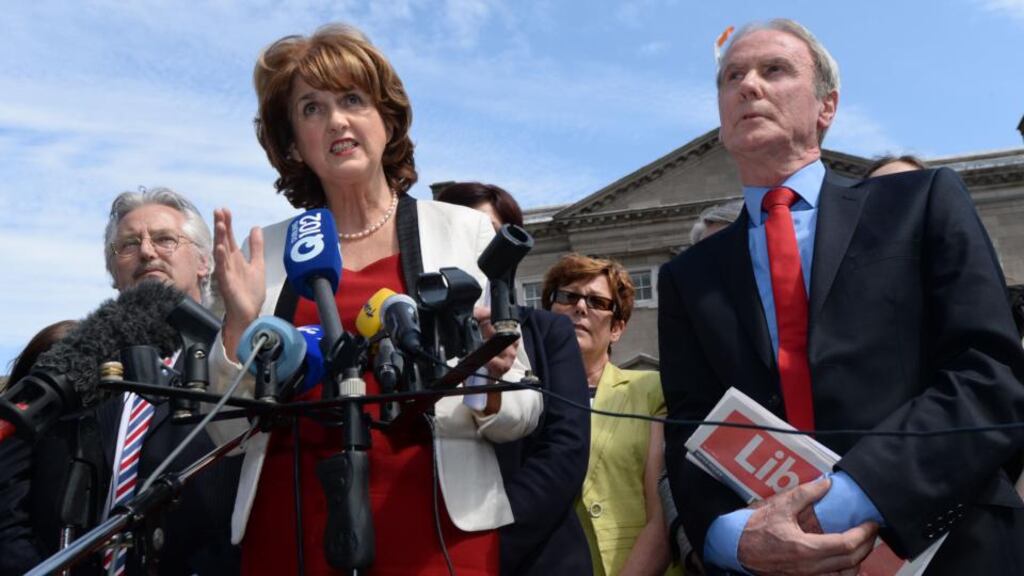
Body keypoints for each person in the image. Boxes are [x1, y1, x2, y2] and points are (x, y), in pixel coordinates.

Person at [658, 18, 1024, 575]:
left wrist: (849, 498)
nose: (747, 85)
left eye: (773, 70)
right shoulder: (690, 274)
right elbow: (690, 425)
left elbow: (989, 372)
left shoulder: (920, 202)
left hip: (950, 546)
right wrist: (726, 538)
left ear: (826, 106)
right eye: (732, 76)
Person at [208, 25, 542, 575]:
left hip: (436, 532)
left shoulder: (464, 233)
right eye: (311, 108)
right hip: (291, 527)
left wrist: (485, 375)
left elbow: (525, 412)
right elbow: (226, 436)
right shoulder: (261, 255)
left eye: (353, 100)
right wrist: (237, 329)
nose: (336, 119)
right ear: (292, 142)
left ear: (386, 120)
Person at [0, 187, 242, 575]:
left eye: (165, 239)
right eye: (128, 244)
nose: (147, 252)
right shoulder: (68, 362)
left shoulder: (234, 365)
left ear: (203, 262)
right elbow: (7, 498)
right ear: (113, 272)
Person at [436, 181, 593, 575]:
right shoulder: (410, 333)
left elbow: (565, 450)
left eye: (485, 231)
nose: (472, 243)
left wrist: (490, 542)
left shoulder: (548, 332)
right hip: (435, 549)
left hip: (534, 555)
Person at [540, 253, 679, 576]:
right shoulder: (522, 397)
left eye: (597, 302)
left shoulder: (652, 391)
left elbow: (661, 516)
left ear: (616, 328)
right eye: (568, 296)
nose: (580, 307)